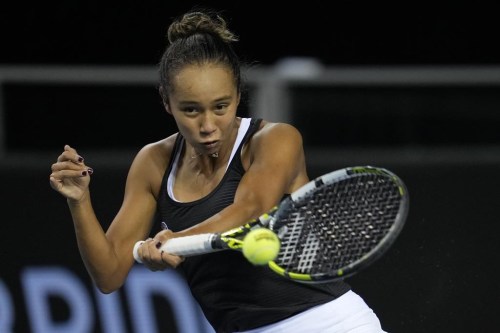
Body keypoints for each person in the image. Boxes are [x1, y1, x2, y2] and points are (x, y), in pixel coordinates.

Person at [49, 8, 387, 333]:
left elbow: (250, 208)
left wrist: (175, 240)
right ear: (167, 103)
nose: (208, 125)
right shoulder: (152, 163)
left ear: (239, 96)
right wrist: (79, 201)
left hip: (331, 324)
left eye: (221, 107)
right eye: (191, 110)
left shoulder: (276, 140)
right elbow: (108, 276)